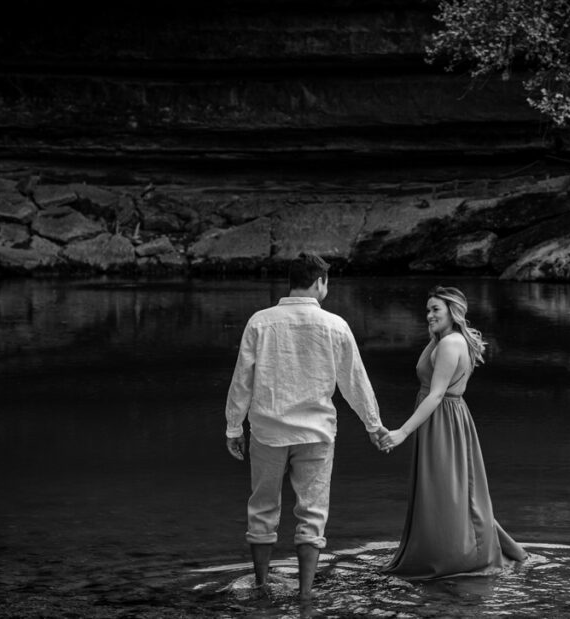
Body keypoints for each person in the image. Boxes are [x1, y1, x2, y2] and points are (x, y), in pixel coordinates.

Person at [225, 252, 387, 600]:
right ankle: (305, 593)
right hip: (316, 433)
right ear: (319, 282)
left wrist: (233, 427)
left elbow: (243, 379)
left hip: (268, 430)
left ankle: (261, 585)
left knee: (262, 507)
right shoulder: (335, 325)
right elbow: (354, 381)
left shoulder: (260, 321)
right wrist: (373, 426)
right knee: (312, 512)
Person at [378, 285, 527, 579]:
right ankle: (456, 548)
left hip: (442, 419)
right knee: (447, 490)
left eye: (436, 310)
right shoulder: (442, 339)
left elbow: (435, 395)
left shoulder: (449, 344)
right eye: (428, 310)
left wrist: (402, 432)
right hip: (439, 420)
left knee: (450, 491)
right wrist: (435, 334)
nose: (429, 315)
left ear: (452, 311)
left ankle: (462, 554)